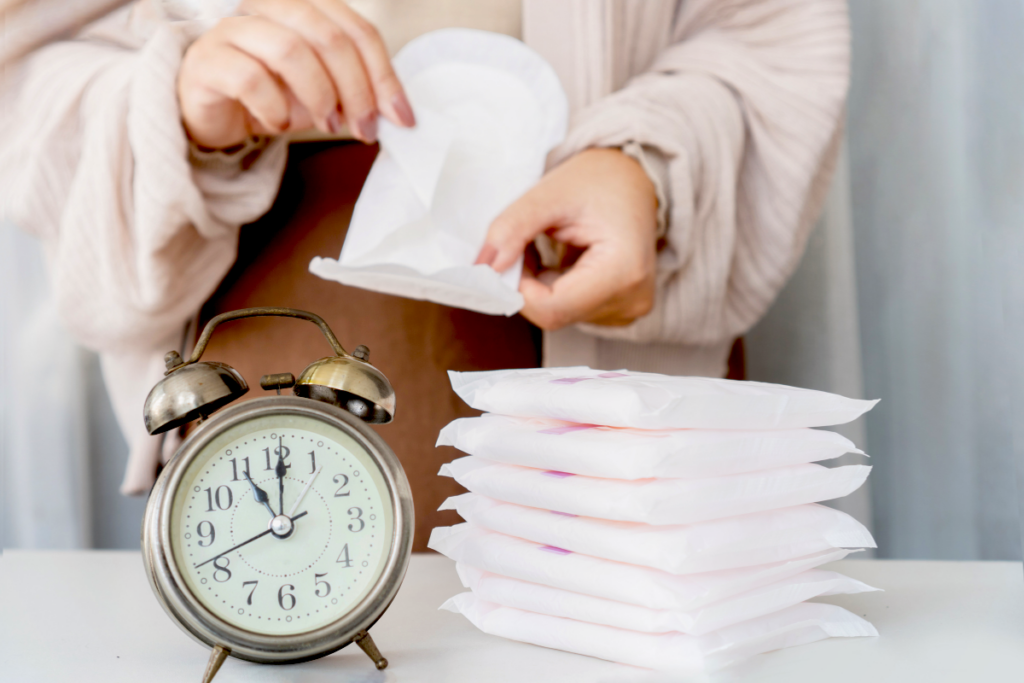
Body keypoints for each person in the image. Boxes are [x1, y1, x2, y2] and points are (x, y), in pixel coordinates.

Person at [0, 0, 850, 549]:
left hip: (618, 304)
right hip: (269, 310)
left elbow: (767, 31)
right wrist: (174, 102)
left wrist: (654, 170)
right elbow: (25, 57)